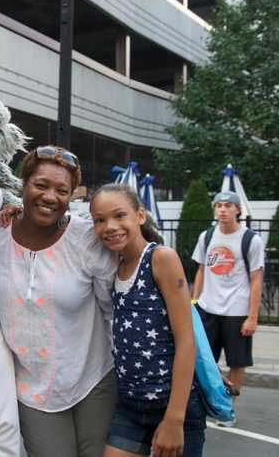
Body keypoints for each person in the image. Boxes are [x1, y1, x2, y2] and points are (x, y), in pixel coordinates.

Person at [0, 146, 117, 457]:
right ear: (24, 184)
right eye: (41, 185)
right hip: (31, 390)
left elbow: (112, 307)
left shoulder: (86, 238)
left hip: (93, 379)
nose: (50, 196)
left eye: (62, 190)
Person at [91, 183, 205, 457]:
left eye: (120, 215)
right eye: (100, 220)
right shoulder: (113, 265)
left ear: (140, 215)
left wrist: (175, 418)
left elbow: (186, 341)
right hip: (130, 407)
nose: (110, 226)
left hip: (174, 406)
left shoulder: (160, 258)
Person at [191, 190, 264, 426]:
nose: (222, 210)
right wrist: (194, 303)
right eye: (218, 205)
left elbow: (256, 278)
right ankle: (204, 404)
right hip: (208, 309)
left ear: (237, 210)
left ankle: (227, 408)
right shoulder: (207, 236)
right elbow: (201, 270)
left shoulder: (250, 239)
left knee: (236, 362)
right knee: (203, 361)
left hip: (237, 311)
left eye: (227, 206)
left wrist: (252, 316)